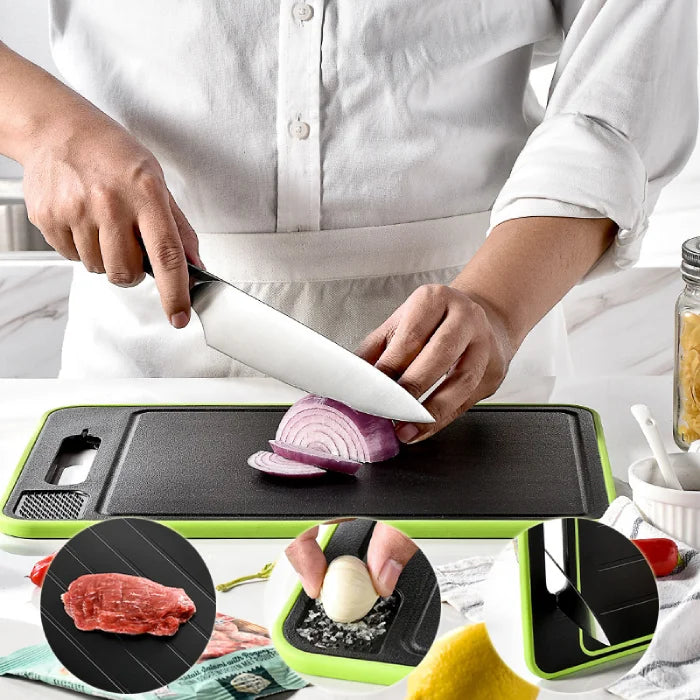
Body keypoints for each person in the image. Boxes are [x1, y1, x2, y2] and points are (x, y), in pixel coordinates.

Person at [0, 1, 696, 444]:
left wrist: (496, 306)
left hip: (471, 371)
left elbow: (623, 89)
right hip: (143, 355)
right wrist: (47, 130)